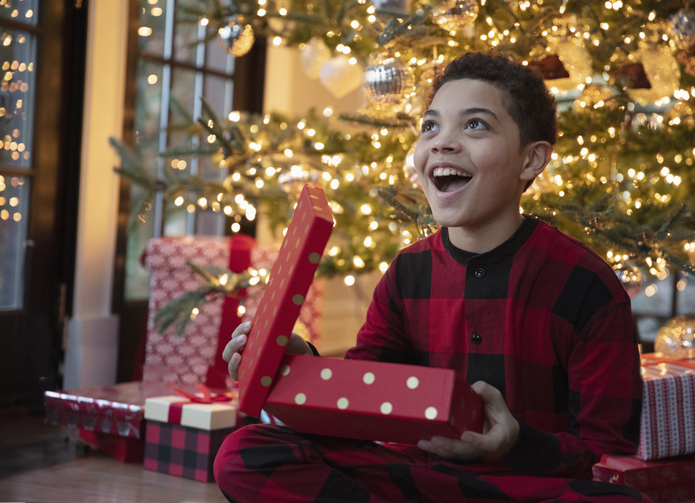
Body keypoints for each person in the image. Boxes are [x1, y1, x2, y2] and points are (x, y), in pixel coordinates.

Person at [214, 51, 650, 503]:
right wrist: (297, 360)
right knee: (246, 454)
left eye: (475, 125)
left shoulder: (587, 285)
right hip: (419, 478)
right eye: (430, 126)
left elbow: (605, 453)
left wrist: (515, 440)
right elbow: (360, 394)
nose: (442, 142)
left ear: (531, 160)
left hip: (529, 489)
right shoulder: (408, 272)